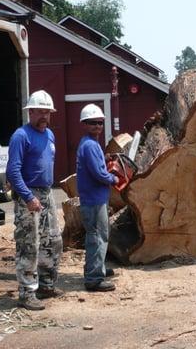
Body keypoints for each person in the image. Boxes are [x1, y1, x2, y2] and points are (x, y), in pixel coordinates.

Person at [6, 90, 63, 311]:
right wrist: (28, 197)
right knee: (29, 245)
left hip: (47, 194)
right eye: (40, 112)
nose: (45, 117)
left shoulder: (49, 135)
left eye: (48, 113)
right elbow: (13, 170)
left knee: (53, 241)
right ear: (30, 112)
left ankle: (46, 285)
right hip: (29, 196)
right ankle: (26, 293)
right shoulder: (21, 136)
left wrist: (44, 194)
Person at [76, 104, 118, 292]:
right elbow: (100, 175)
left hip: (93, 199)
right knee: (98, 237)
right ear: (84, 124)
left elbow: (96, 164)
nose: (98, 126)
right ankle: (94, 278)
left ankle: (96, 268)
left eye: (100, 123)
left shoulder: (90, 144)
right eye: (93, 123)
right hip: (94, 200)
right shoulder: (90, 145)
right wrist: (114, 178)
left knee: (96, 235)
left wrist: (105, 157)